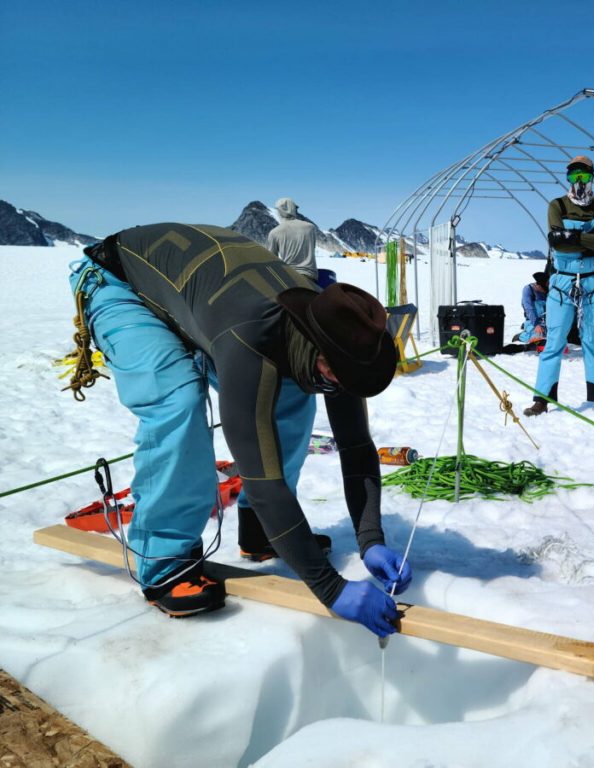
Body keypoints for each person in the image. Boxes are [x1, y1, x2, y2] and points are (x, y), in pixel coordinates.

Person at [67, 224, 411, 637]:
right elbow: (261, 477)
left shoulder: (337, 338)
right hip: (119, 282)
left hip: (199, 296)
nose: (338, 387)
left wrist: (370, 539)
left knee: (292, 395)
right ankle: (164, 563)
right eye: (334, 377)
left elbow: (356, 445)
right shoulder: (252, 335)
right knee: (178, 401)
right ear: (319, 349)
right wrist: (331, 590)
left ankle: (261, 533)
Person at [524, 156, 594, 416]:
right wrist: (588, 240)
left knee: (593, 342)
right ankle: (542, 399)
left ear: (592, 176)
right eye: (573, 176)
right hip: (562, 284)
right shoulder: (557, 205)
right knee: (554, 342)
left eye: (583, 176)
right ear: (567, 178)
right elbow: (557, 243)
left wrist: (573, 239)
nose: (579, 182)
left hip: (592, 283)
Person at [267, 197, 319, 282]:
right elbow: (312, 248)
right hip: (311, 276)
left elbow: (272, 259)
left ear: (280, 211)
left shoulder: (274, 232)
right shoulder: (310, 228)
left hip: (289, 277)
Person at [517, 271, 549, 345]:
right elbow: (529, 309)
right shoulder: (528, 290)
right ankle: (521, 336)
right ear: (539, 285)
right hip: (534, 321)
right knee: (537, 337)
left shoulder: (548, 289)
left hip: (547, 322)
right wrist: (536, 324)